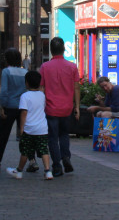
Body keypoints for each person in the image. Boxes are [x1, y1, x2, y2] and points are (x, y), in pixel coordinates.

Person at [41, 37, 80, 177]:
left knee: (52, 137)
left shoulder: (45, 67)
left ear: (51, 50)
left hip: (51, 108)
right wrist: (77, 107)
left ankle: (57, 165)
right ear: (64, 49)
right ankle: (66, 157)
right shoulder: (72, 67)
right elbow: (76, 88)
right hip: (67, 108)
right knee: (64, 135)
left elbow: (42, 89)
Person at [0, 47, 27, 171]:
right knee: (24, 134)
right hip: (22, 107)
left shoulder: (7, 72)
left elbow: (4, 92)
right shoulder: (25, 72)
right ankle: (31, 160)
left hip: (9, 106)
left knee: (3, 134)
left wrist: (2, 107)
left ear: (8, 59)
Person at [6, 70, 54, 180]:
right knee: (43, 150)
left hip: (29, 128)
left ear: (26, 83)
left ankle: (19, 170)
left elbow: (24, 112)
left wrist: (21, 127)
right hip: (42, 128)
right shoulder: (42, 95)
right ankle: (47, 171)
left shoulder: (25, 96)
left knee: (25, 150)